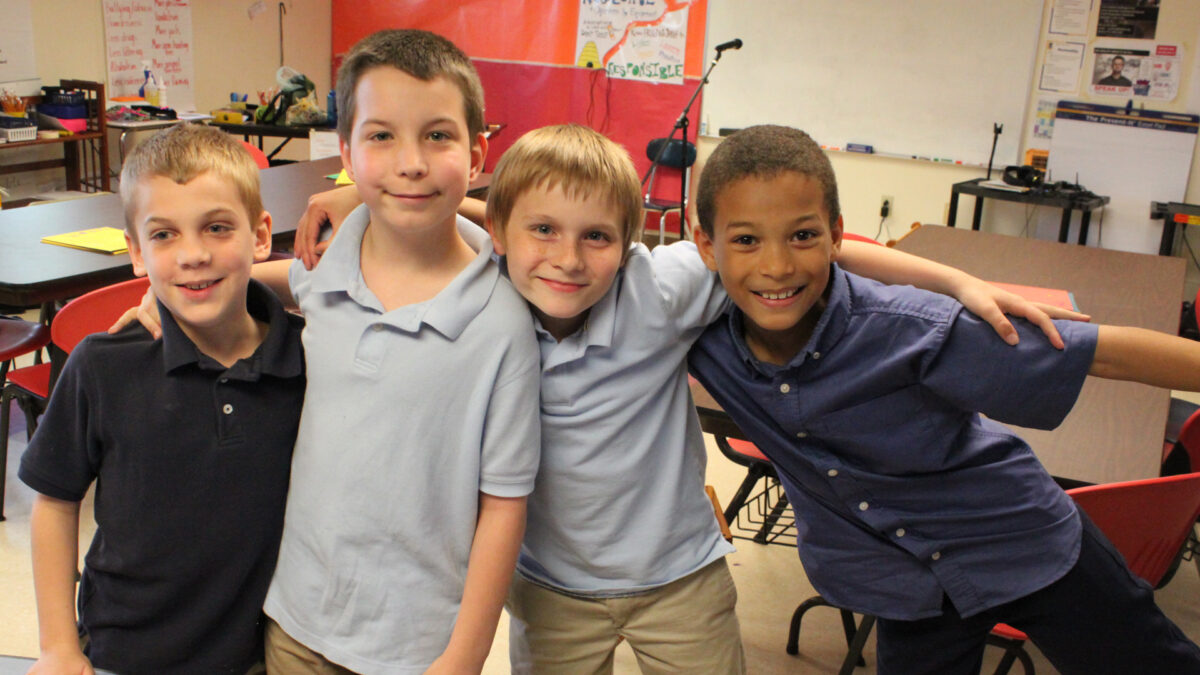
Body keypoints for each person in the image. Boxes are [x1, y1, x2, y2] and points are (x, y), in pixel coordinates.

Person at [296, 122, 1080, 674]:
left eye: (598, 239)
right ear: (502, 234)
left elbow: (817, 251)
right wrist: (349, 211)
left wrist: (955, 279)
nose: (568, 260)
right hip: (550, 588)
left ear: (634, 242)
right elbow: (420, 245)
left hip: (681, 579)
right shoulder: (479, 295)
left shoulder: (660, 285)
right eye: (541, 234)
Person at [687, 124, 1200, 674]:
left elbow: (1104, 353)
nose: (777, 266)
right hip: (906, 586)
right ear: (706, 246)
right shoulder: (697, 328)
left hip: (1022, 539)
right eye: (746, 240)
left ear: (837, 235)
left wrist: (956, 285)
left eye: (802, 236)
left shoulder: (911, 331)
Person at [114, 29, 541, 674]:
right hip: (295, 621)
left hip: (417, 645)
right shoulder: (331, 260)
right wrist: (188, 286)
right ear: (346, 151)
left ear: (479, 151)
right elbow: (294, 279)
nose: (411, 162)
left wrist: (464, 655)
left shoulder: (503, 320)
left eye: (437, 135)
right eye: (381, 137)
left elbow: (504, 506)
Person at [20, 123, 305, 674]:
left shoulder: (308, 359)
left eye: (217, 227)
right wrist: (58, 645)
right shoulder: (103, 366)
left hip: (253, 657)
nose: (192, 255)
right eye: (164, 235)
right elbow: (55, 503)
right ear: (135, 252)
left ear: (262, 235)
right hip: (122, 654)